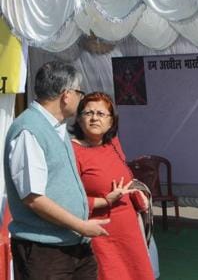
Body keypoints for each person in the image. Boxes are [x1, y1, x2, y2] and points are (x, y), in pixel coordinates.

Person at [4, 61, 109, 280]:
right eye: (79, 93)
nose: (81, 99)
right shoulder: (29, 130)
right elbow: (33, 198)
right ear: (67, 95)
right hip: (44, 250)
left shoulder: (56, 127)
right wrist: (81, 226)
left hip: (73, 244)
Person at [71, 92, 154, 280]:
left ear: (111, 121)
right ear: (78, 119)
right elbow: (66, 199)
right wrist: (103, 201)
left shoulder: (113, 145)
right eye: (88, 113)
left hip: (129, 231)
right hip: (100, 233)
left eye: (101, 114)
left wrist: (137, 192)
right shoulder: (72, 151)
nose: (94, 118)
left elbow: (127, 178)